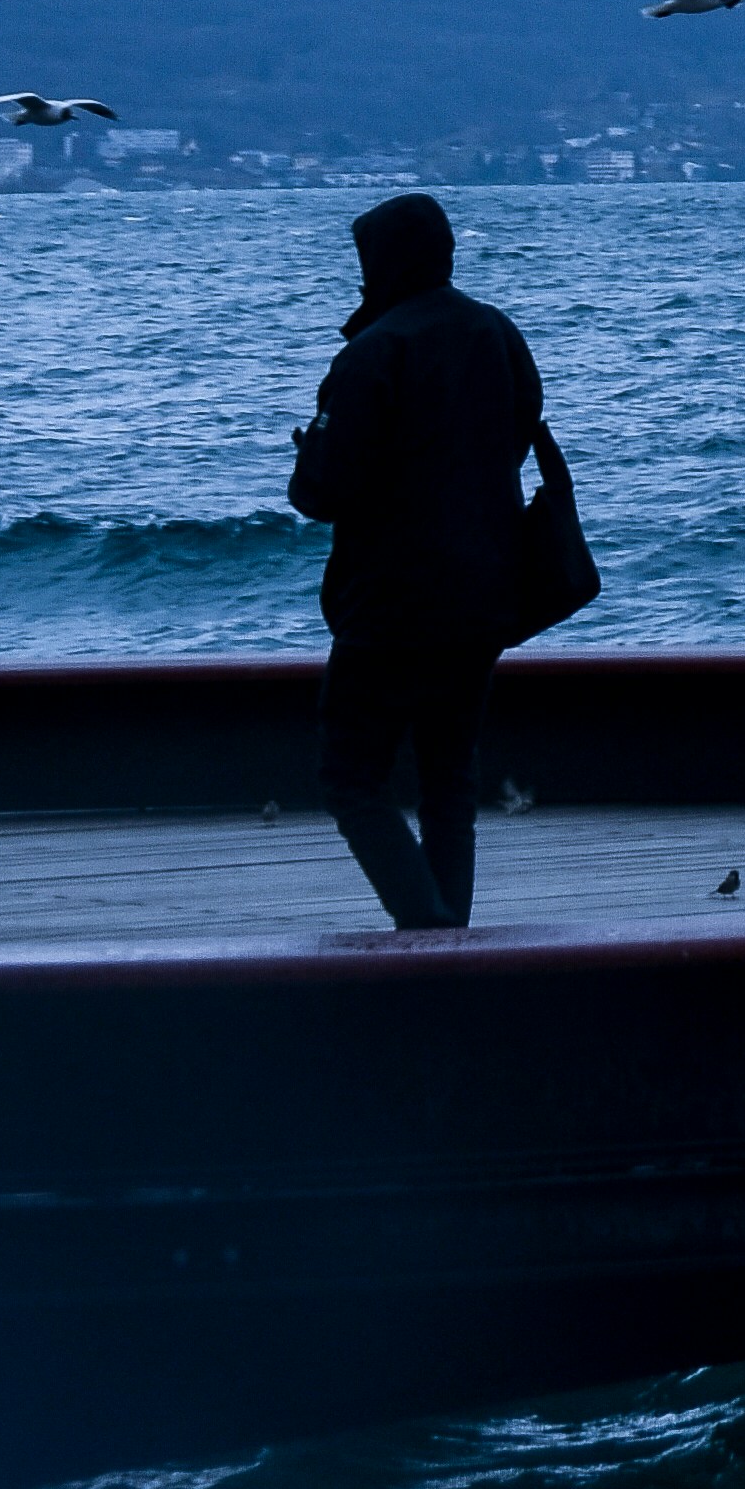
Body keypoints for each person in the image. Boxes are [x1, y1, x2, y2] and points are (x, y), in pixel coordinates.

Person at [288, 190, 551, 933]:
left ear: (379, 263)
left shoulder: (374, 351)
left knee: (351, 778)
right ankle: (448, 946)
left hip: (390, 606)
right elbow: (522, 427)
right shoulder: (498, 333)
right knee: (448, 781)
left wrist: (309, 457)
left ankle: (429, 934)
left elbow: (324, 492)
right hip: (486, 596)